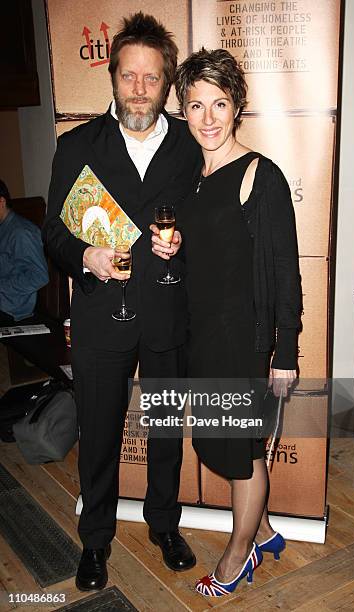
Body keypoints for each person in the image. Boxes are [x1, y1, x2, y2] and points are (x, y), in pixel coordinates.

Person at [43, 13, 201, 592]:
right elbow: (54, 234)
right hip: (98, 318)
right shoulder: (77, 146)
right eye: (129, 75)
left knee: (164, 429)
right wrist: (87, 256)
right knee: (101, 434)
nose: (139, 87)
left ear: (167, 84)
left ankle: (164, 526)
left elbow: (207, 230)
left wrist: (182, 245)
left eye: (152, 78)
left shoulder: (190, 148)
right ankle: (96, 541)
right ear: (112, 77)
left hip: (165, 314)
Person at [152, 48, 302, 597]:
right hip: (201, 333)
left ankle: (238, 556)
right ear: (184, 111)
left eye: (219, 103)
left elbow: (286, 270)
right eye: (195, 105)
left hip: (241, 337)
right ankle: (261, 532)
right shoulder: (193, 175)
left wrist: (285, 352)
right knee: (219, 444)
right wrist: (172, 252)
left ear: (237, 106)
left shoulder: (261, 175)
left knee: (240, 451)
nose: (208, 118)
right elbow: (208, 259)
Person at [0, 179, 48, 323]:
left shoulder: (21, 232)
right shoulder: (3, 228)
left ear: (1, 202)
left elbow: (39, 276)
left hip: (11, 308)